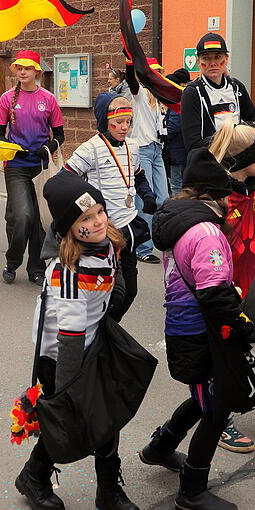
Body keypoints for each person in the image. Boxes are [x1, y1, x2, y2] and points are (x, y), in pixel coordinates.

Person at [14, 170, 143, 510]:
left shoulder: (106, 247)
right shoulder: (67, 272)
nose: (98, 221)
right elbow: (69, 336)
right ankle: (34, 476)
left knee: (107, 419)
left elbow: (114, 285)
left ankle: (109, 490)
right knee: (68, 422)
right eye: (86, 219)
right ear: (69, 228)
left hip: (92, 345)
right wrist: (69, 390)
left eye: (100, 211)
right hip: (63, 359)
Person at [138, 147, 255, 510]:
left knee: (204, 394)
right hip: (200, 329)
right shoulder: (206, 231)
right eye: (227, 194)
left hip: (183, 323)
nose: (231, 201)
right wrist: (244, 327)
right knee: (218, 405)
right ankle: (192, 490)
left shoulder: (181, 219)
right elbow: (214, 292)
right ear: (215, 195)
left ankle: (160, 448)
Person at [65, 95, 157, 320]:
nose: (125, 127)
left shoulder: (133, 147)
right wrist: (87, 209)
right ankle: (95, 330)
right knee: (113, 293)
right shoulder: (90, 149)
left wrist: (147, 195)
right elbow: (64, 180)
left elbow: (138, 175)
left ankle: (106, 329)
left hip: (128, 227)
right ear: (104, 121)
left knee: (130, 292)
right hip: (103, 231)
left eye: (129, 122)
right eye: (118, 122)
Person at [208, 121, 255, 455]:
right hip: (222, 289)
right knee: (221, 357)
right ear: (242, 160)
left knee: (241, 348)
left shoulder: (249, 188)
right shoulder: (221, 199)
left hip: (247, 282)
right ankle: (220, 420)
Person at [0, 51, 65, 284]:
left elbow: (60, 135)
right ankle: (12, 262)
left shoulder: (49, 99)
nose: (22, 72)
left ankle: (36, 268)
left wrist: (48, 148)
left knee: (40, 219)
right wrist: (13, 148)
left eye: (27, 68)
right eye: (19, 68)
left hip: (41, 166)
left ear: (37, 71)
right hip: (16, 165)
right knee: (23, 216)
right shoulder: (7, 98)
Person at [180, 33, 255, 153]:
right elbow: (192, 144)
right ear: (198, 62)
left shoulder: (237, 87)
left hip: (237, 159)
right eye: (206, 58)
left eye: (218, 57)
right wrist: (230, 138)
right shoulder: (192, 92)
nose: (213, 63)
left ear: (226, 59)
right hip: (208, 160)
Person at [123, 61, 169, 264]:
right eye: (154, 73)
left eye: (160, 73)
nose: (158, 76)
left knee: (164, 198)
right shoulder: (140, 94)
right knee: (146, 199)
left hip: (157, 149)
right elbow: (131, 81)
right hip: (143, 149)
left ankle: (158, 237)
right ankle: (143, 247)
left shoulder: (160, 99)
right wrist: (130, 63)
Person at [161, 68, 192, 195]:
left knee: (176, 184)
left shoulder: (176, 103)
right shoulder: (183, 99)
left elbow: (174, 126)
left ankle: (178, 204)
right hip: (179, 150)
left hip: (176, 151)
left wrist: (163, 136)